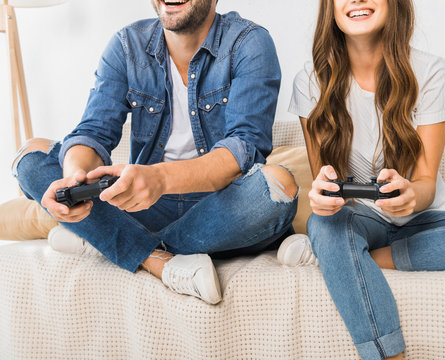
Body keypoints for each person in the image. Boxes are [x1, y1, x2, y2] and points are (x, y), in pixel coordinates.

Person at [283, 0, 445, 358]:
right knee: (323, 227)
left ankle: (358, 258)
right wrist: (323, 197)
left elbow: (426, 182)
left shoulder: (430, 71)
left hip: (426, 221)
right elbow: (326, 178)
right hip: (361, 220)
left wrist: (410, 195)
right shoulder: (310, 82)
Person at [11, 0, 298, 305]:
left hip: (218, 206)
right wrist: (74, 180)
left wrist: (158, 178)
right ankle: (156, 259)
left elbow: (243, 150)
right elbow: (93, 133)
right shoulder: (126, 45)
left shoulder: (249, 42)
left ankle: (105, 240)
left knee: (279, 185)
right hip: (144, 205)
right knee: (30, 158)